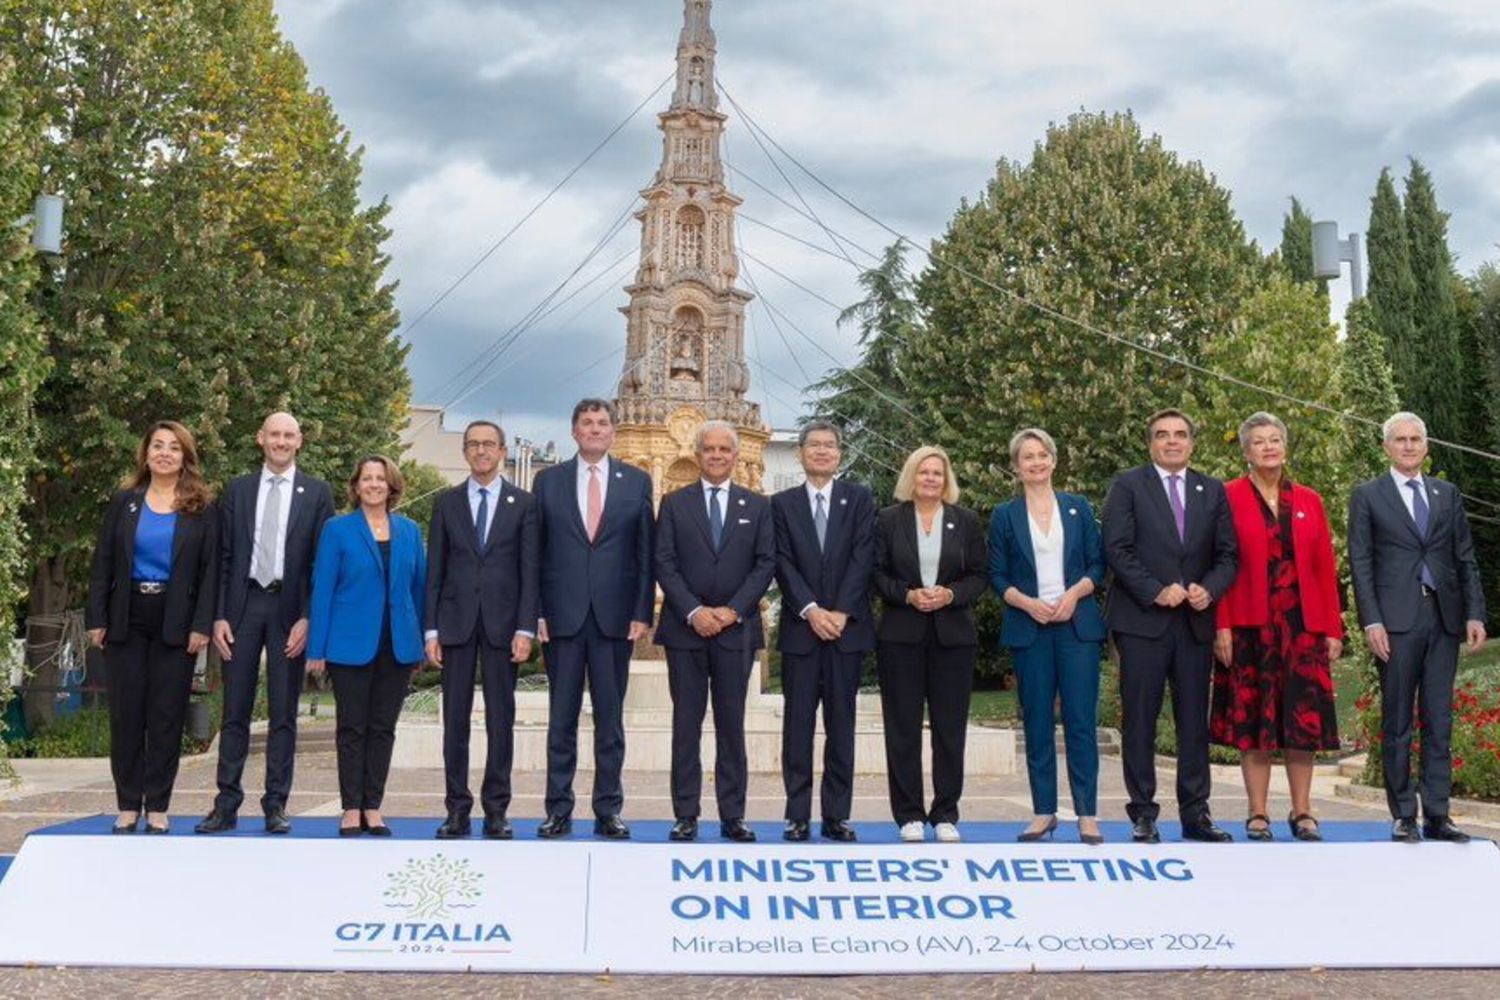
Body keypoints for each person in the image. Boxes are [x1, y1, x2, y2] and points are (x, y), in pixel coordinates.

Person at [1349, 411, 1486, 843]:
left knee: (1439, 718)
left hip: (1443, 619)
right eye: (1400, 440)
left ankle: (1439, 815)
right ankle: (1404, 812)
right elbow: (1361, 562)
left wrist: (1475, 612)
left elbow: (1465, 556)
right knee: (1397, 720)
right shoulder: (1368, 495)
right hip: (1395, 621)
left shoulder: (1446, 494)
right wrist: (1371, 619)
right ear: (1387, 447)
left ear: (1426, 447)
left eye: (1416, 439)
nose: (1409, 446)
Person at [1102, 408, 1237, 844]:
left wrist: (1209, 589)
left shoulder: (1211, 490)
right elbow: (1116, 549)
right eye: (1163, 435)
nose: (1172, 441)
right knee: (1139, 721)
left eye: (1180, 434)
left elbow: (1228, 555)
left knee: (1193, 723)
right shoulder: (1128, 486)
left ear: (1192, 443)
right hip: (1143, 622)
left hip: (1195, 624)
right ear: (1151, 443)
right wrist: (1156, 589)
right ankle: (1143, 813)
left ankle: (1195, 814)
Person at [197, 412, 335, 836]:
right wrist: (218, 614)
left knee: (282, 714)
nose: (280, 441)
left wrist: (310, 618)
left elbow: (321, 564)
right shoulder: (237, 490)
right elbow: (221, 557)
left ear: (300, 441)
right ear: (260, 439)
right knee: (234, 711)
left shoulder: (317, 493)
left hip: (289, 612)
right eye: (274, 434)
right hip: (242, 609)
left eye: (288, 435)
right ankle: (227, 804)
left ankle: (276, 803)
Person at [1211, 413, 1343, 842]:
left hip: (1302, 627)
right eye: (1259, 442)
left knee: (1300, 723)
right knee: (1256, 722)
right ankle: (1257, 813)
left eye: (1275, 440)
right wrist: (1222, 624)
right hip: (1249, 626)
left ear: (1285, 447)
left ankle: (1303, 811)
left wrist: (1332, 627)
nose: (1269, 448)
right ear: (1246, 452)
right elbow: (1220, 564)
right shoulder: (1226, 497)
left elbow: (1324, 567)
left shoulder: (1309, 499)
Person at [86, 421, 218, 834]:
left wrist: (201, 625)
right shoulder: (125, 502)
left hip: (176, 622)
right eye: (157, 446)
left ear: (185, 457)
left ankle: (157, 805)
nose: (164, 453)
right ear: (145, 454)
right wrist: (97, 618)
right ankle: (128, 805)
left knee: (165, 716)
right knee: (127, 716)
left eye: (174, 448)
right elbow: (102, 564)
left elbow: (210, 572)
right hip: (127, 618)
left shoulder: (201, 508)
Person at [532, 399, 655, 840]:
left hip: (615, 621)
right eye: (587, 422)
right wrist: (536, 613)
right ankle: (558, 809)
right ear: (574, 430)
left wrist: (642, 611)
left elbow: (645, 553)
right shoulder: (548, 482)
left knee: (610, 721)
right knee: (560, 720)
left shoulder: (637, 482)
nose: (595, 429)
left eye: (603, 422)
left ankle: (608, 809)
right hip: (561, 619)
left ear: (613, 431)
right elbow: (535, 554)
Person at [655, 421, 776, 843]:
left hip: (735, 632)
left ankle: (733, 816)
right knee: (685, 725)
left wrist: (730, 611)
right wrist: (693, 611)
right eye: (710, 449)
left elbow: (765, 564)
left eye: (725, 449)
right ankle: (685, 814)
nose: (718, 455)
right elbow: (663, 562)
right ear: (699, 452)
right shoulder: (674, 503)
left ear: (736, 454)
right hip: (685, 631)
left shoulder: (758, 506)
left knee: (731, 725)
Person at [988, 428, 1106, 845]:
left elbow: (1098, 566)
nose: (1036, 463)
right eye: (1027, 457)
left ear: (1054, 461)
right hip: (1030, 629)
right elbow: (997, 575)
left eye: (1042, 455)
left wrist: (1075, 594)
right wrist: (1025, 601)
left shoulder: (1078, 508)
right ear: (1016, 467)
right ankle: (1043, 812)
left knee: (1080, 723)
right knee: (1037, 722)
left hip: (1077, 628)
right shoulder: (1005, 515)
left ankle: (1087, 815)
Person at [425, 420, 539, 841]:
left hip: (503, 626)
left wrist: (526, 627)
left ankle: (496, 809)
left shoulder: (524, 504)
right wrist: (430, 631)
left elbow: (531, 571)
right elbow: (435, 569)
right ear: (465, 453)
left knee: (500, 720)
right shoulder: (446, 503)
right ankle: (456, 809)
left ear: (503, 451)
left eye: (488, 444)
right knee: (454, 721)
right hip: (454, 625)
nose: (481, 451)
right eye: (473, 445)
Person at [305, 456, 427, 837]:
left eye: (381, 478)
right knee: (351, 727)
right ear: (356, 486)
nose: (374, 484)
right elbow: (322, 589)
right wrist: (316, 648)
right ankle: (350, 808)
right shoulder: (337, 529)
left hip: (398, 644)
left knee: (383, 728)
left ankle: (373, 806)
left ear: (392, 486)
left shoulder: (409, 531)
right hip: (349, 644)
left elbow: (420, 590)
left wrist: (421, 641)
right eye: (367, 478)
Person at [872, 446, 988, 843]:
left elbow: (978, 576)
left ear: (946, 479)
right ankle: (908, 815)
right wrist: (907, 595)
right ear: (911, 476)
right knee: (902, 728)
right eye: (924, 472)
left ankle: (945, 813)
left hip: (953, 638)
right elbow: (876, 574)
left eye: (938, 473)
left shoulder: (966, 521)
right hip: (901, 635)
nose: (931, 479)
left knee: (949, 728)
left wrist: (951, 595)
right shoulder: (888, 520)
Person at [771, 420, 876, 843]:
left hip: (846, 632)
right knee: (797, 728)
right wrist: (812, 610)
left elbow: (863, 556)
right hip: (801, 631)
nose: (821, 451)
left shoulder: (860, 499)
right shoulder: (781, 504)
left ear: (839, 454)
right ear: (800, 453)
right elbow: (781, 561)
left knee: (841, 726)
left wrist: (841, 611)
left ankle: (837, 815)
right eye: (813, 445)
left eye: (829, 446)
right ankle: (797, 815)